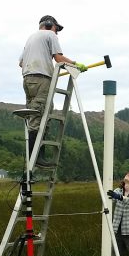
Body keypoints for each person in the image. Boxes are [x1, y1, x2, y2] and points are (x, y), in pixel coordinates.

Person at [18, 15, 87, 166]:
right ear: (49, 25)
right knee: (42, 115)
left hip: (27, 80)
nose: (57, 33)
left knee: (33, 116)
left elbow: (21, 63)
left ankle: (32, 158)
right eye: (57, 29)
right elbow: (58, 59)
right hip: (42, 79)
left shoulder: (30, 38)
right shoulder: (50, 35)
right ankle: (36, 158)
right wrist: (76, 64)